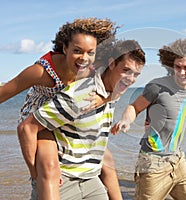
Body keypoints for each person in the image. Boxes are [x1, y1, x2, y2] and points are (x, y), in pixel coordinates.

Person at [0, 18, 117, 199]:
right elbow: (5, 92)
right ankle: (36, 180)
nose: (83, 58)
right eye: (77, 51)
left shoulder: (92, 71)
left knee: (106, 160)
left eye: (90, 53)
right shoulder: (42, 71)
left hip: (66, 116)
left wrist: (105, 98)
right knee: (49, 164)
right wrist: (34, 171)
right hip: (38, 118)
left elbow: (116, 86)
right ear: (65, 48)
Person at [17, 39, 146, 200]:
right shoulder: (81, 95)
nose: (131, 78)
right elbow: (26, 128)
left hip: (91, 180)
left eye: (136, 74)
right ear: (111, 64)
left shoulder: (115, 88)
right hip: (63, 182)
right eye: (126, 70)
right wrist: (35, 175)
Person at [111, 37, 186, 200]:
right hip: (153, 163)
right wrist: (125, 121)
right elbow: (134, 107)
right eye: (177, 67)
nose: (181, 72)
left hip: (178, 160)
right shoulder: (157, 87)